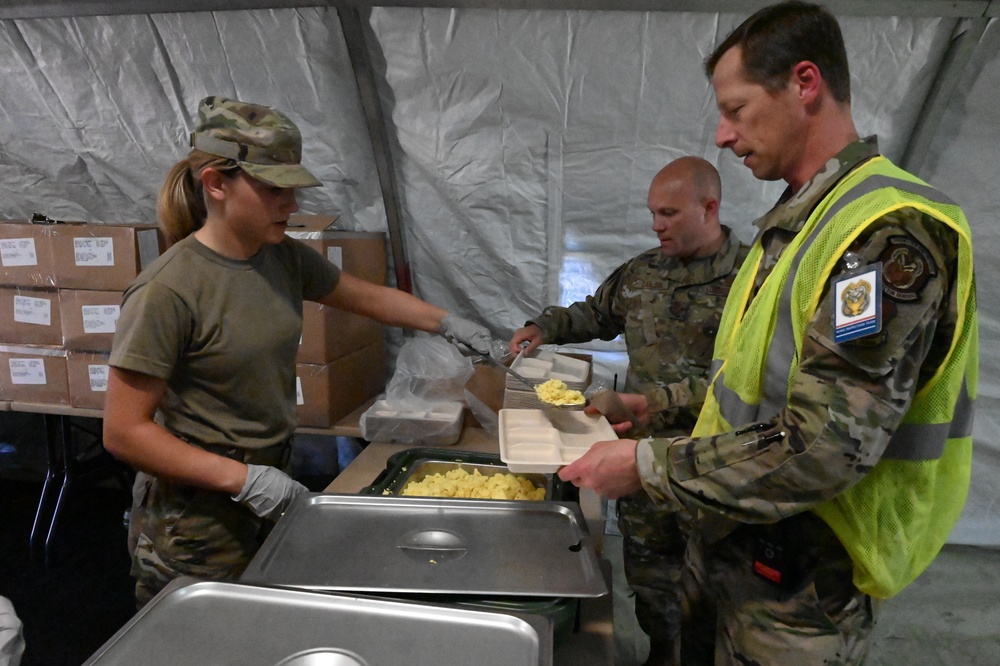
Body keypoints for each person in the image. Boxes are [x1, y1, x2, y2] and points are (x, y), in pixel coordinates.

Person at [558, 2, 977, 664]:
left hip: (800, 586)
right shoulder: (795, 227)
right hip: (728, 546)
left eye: (736, 109)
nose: (722, 135)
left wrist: (647, 464)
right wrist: (655, 406)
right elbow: (752, 385)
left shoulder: (883, 233)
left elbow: (825, 444)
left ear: (804, 84)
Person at [103, 96, 495, 608]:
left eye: (293, 189)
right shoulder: (168, 290)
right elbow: (124, 431)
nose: (291, 205)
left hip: (264, 487)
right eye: (273, 189)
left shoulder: (280, 258)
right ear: (216, 185)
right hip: (196, 514)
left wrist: (446, 321)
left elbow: (363, 295)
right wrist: (244, 479)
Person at [510, 156, 749, 665]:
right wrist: (545, 327)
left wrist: (656, 401)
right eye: (652, 214)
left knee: (714, 591)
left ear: (710, 208)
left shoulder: (753, 282)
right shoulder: (644, 273)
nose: (656, 225)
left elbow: (752, 386)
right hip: (638, 462)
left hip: (709, 465)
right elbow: (595, 314)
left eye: (669, 214)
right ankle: (662, 654)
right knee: (650, 581)